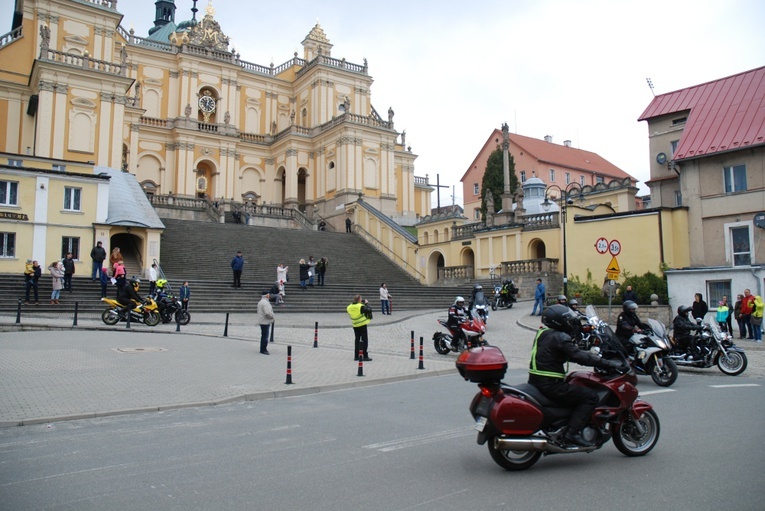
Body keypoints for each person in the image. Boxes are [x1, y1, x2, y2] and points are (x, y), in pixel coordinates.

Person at [528, 304, 623, 447]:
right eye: (568, 320)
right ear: (559, 321)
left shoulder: (543, 334)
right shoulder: (560, 337)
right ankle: (571, 434)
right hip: (551, 385)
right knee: (590, 397)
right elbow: (579, 356)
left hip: (537, 382)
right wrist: (606, 363)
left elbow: (562, 354)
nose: (571, 324)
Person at [347, 294, 373, 361]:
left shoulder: (349, 307)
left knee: (357, 340)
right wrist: (366, 303)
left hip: (355, 325)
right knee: (364, 340)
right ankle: (364, 355)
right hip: (362, 324)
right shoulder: (360, 306)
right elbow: (369, 310)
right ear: (359, 300)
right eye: (361, 299)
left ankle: (356, 355)